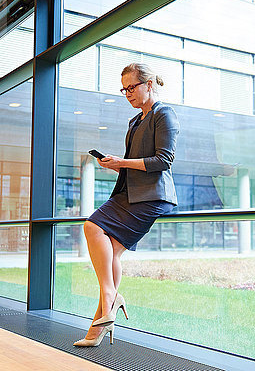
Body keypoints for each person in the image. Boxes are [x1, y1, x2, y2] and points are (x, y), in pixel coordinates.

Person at [73, 63, 180, 347]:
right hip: (129, 193)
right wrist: (115, 165)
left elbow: (163, 161)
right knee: (113, 256)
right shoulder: (135, 121)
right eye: (124, 89)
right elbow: (133, 167)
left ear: (149, 85)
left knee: (92, 226)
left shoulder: (164, 115)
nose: (127, 93)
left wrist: (121, 162)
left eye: (132, 87)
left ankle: (109, 297)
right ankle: (98, 329)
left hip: (151, 197)